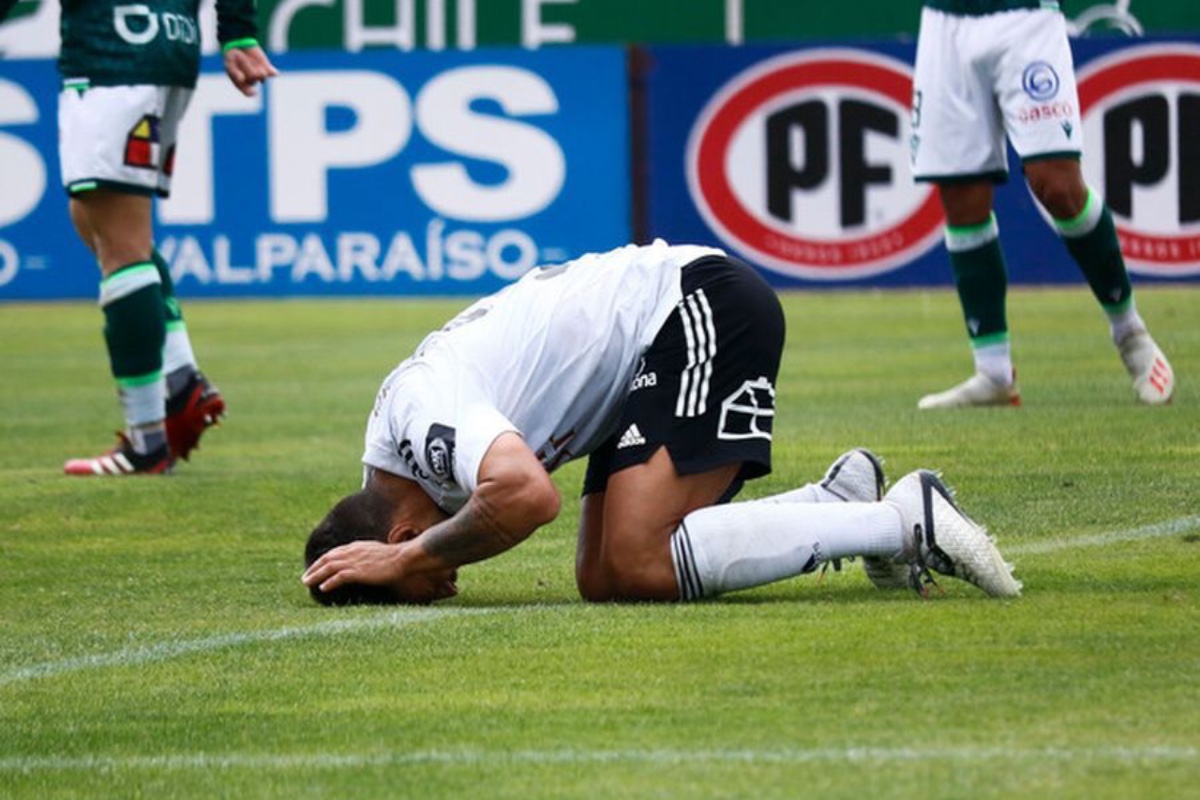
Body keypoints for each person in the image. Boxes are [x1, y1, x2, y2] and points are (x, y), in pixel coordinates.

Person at [301, 240, 1022, 606]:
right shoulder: (404, 445)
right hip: (637, 364)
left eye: (420, 584)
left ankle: (904, 521)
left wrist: (407, 564)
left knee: (643, 557)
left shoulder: (421, 419)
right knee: (605, 578)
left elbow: (528, 496)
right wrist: (410, 560)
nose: (442, 585)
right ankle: (834, 505)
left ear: (399, 532)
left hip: (692, 305)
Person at [3, 1, 278, 474]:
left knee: (119, 243)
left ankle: (147, 441)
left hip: (113, 52)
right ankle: (179, 380)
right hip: (168, 43)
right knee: (96, 220)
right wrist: (237, 31)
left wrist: (238, 33)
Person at [910, 0, 1175, 409]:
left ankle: (1131, 335)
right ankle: (994, 372)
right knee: (961, 195)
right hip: (945, 21)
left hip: (1026, 18)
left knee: (1057, 186)